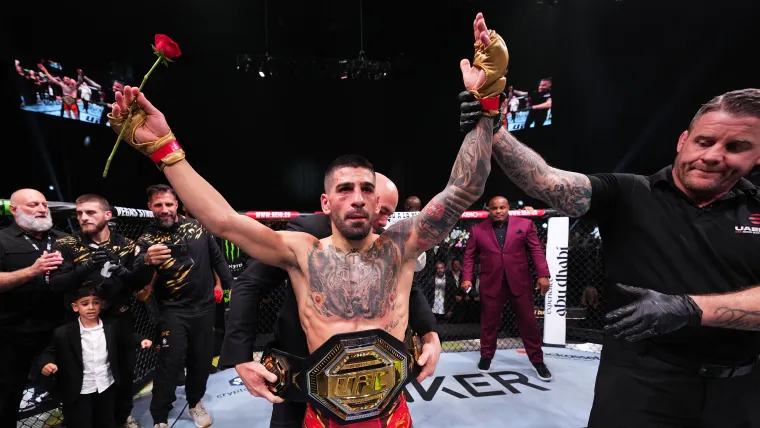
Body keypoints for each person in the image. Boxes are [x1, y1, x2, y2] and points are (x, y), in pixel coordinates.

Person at [106, 12, 506, 427]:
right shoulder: (301, 251)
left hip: (391, 411)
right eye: (345, 189)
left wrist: (487, 104)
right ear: (326, 202)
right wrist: (164, 149)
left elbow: (464, 189)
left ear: (378, 202)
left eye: (366, 190)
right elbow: (222, 220)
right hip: (322, 413)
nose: (357, 199)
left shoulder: (401, 244)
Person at [461, 88, 760, 426]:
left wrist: (691, 309)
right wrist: (494, 127)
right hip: (638, 383)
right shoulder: (631, 192)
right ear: (683, 141)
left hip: (739, 390)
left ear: (757, 156)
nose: (714, 156)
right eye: (704, 142)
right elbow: (546, 181)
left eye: (736, 147)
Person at [220, 172, 442, 428]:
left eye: (388, 213)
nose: (383, 220)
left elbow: (409, 289)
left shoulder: (384, 241)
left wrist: (430, 333)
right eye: (382, 211)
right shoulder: (307, 234)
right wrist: (240, 355)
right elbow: (250, 283)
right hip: (302, 366)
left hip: (370, 376)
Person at [130, 185, 234, 428]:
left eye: (169, 204)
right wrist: (146, 260)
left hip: (204, 307)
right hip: (172, 311)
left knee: (201, 360)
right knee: (170, 363)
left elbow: (217, 257)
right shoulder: (146, 240)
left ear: (176, 204)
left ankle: (195, 402)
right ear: (150, 207)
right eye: (158, 205)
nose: (164, 209)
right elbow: (137, 280)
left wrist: (232, 287)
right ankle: (159, 415)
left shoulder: (197, 226)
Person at [49, 194, 144, 428]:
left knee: (124, 373)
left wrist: (121, 271)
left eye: (90, 212)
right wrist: (87, 266)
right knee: (81, 377)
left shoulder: (127, 244)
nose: (83, 217)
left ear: (107, 215)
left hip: (119, 318)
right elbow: (56, 285)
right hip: (82, 323)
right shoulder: (66, 244)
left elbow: (138, 286)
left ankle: (122, 417)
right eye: (79, 213)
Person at [461, 196, 552, 380]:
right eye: (494, 208)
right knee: (489, 324)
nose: (498, 211)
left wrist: (543, 275)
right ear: (489, 209)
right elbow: (469, 256)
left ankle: (537, 361)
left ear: (508, 207)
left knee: (529, 323)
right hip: (491, 282)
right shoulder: (477, 230)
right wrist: (466, 278)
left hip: (520, 281)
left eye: (502, 207)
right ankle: (486, 356)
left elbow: (536, 250)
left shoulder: (525, 225)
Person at [39, 283, 151, 428]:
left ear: (102, 304)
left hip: (106, 385)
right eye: (85, 303)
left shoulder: (112, 326)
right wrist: (47, 363)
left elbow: (126, 336)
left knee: (107, 422)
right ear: (75, 307)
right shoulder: (63, 332)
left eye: (96, 302)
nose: (91, 307)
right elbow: (48, 352)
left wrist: (141, 340)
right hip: (79, 390)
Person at [0, 188, 66, 428]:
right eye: (33, 205)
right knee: (7, 396)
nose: (41, 209)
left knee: (73, 387)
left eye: (44, 205)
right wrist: (32, 271)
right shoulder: (2, 239)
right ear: (13, 209)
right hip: (14, 333)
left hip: (59, 330)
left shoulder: (64, 239)